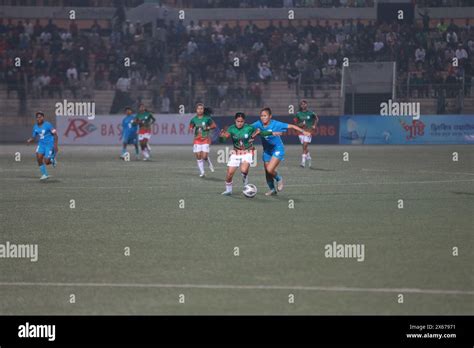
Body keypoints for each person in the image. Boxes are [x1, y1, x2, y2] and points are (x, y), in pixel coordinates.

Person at [252, 107, 311, 196]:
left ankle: (279, 179)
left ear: (270, 116)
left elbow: (292, 126)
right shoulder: (258, 124)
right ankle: (272, 189)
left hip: (277, 148)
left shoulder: (276, 124)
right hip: (267, 150)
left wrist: (304, 131)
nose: (263, 117)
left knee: (270, 169)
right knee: (267, 171)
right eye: (261, 116)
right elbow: (247, 128)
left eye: (265, 116)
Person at [219, 112, 257, 196]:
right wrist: (221, 137)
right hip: (236, 153)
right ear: (235, 120)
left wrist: (269, 133)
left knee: (243, 170)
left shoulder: (249, 128)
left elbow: (259, 132)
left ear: (244, 121)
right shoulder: (231, 129)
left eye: (241, 121)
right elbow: (223, 140)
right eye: (238, 121)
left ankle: (245, 182)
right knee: (229, 174)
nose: (239, 123)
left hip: (247, 152)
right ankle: (228, 190)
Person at [26, 111, 58, 180]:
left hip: (49, 144)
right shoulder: (35, 127)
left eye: (40, 117)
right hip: (41, 144)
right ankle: (45, 174)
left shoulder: (48, 125)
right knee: (39, 158)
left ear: (43, 118)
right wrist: (30, 140)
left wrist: (55, 145)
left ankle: (52, 160)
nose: (38, 119)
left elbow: (55, 134)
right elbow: (34, 136)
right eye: (37, 117)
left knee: (46, 162)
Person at [189, 103, 216, 177]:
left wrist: (208, 128)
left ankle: (209, 162)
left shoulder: (207, 118)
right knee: (198, 156)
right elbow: (191, 126)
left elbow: (214, 125)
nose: (200, 110)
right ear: (196, 110)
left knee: (204, 156)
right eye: (198, 109)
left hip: (205, 139)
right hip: (197, 140)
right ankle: (202, 172)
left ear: (203, 110)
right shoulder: (194, 119)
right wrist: (191, 129)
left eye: (201, 109)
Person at [293, 99, 319, 168]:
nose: (303, 105)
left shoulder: (311, 113)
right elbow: (296, 123)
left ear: (307, 105)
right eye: (302, 104)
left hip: (309, 131)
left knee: (304, 146)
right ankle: (309, 158)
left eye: (304, 104)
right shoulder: (298, 114)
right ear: (300, 105)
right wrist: (300, 124)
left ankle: (303, 162)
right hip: (301, 132)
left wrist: (314, 125)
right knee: (304, 147)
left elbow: (316, 118)